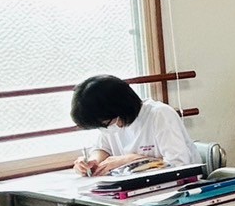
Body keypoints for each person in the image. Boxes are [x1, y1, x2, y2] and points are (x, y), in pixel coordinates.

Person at [71, 74, 200, 175]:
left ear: (119, 108)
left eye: (105, 123)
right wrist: (92, 162)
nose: (106, 128)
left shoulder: (160, 115)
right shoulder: (111, 122)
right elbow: (103, 148)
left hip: (176, 188)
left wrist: (129, 160)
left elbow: (178, 165)